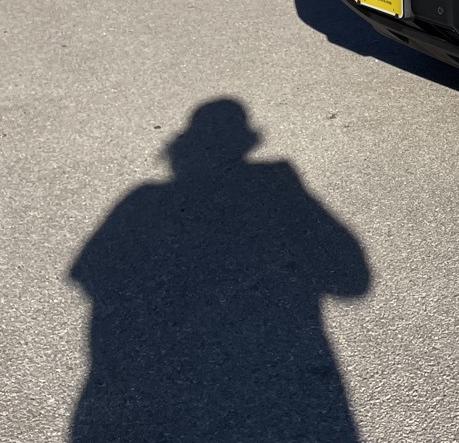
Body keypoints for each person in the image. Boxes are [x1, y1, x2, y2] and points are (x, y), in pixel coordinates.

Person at [69, 99, 369, 442]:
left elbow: (89, 274)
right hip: (273, 373)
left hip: (143, 384)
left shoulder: (140, 200)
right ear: (248, 140)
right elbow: (350, 280)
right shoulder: (276, 183)